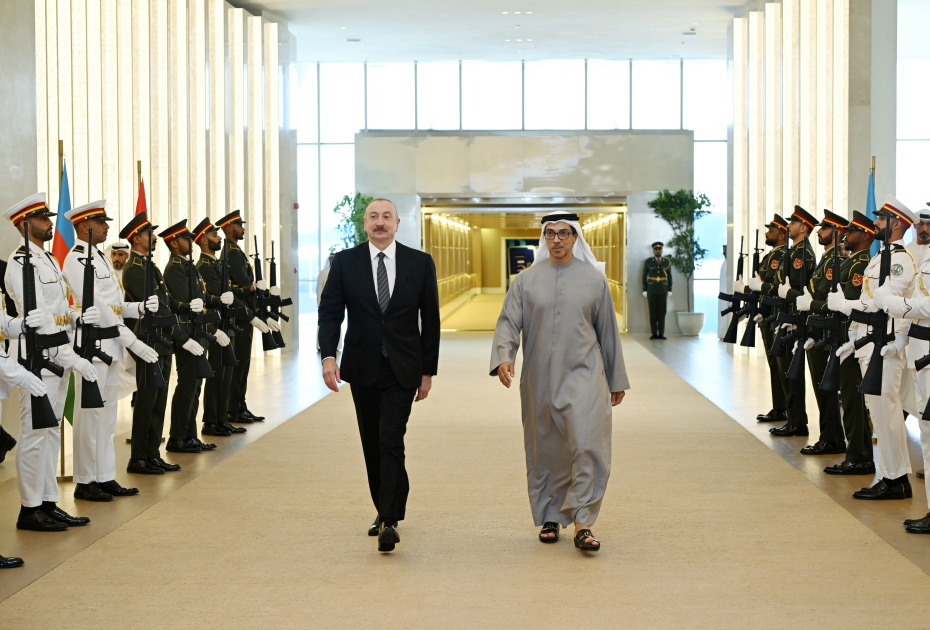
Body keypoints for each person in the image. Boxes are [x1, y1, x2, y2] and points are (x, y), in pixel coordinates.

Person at [491, 211, 628, 552]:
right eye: (550, 234)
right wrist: (505, 356)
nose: (556, 240)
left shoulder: (594, 281)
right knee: (546, 448)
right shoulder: (525, 281)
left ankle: (583, 522)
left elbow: (608, 332)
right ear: (544, 238)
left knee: (587, 445)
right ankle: (550, 516)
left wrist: (616, 379)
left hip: (585, 375)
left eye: (564, 233)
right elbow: (508, 322)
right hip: (538, 378)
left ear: (575, 237)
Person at [318, 198, 440, 553]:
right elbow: (330, 313)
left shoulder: (419, 262)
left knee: (391, 438)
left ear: (398, 223)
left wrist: (427, 371)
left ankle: (389, 518)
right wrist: (328, 356)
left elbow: (431, 320)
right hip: (362, 366)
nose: (380, 222)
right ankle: (386, 506)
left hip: (403, 367)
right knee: (372, 441)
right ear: (365, 224)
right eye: (374, 216)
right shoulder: (345, 262)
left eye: (387, 216)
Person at [4, 193, 98, 531]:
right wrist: (71, 357)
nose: (50, 223)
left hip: (56, 355)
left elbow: (57, 309)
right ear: (26, 224)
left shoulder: (47, 259)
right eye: (43, 218)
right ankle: (29, 509)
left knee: (51, 432)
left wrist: (76, 317)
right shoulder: (20, 262)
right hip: (37, 357)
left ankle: (47, 502)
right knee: (34, 434)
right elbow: (38, 316)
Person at [62, 200, 160, 502]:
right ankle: (85, 480)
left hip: (112, 345)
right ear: (84, 226)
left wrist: (139, 308)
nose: (107, 227)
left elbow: (115, 306)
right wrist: (132, 341)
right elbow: (98, 306)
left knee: (106, 417)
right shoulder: (76, 260)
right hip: (94, 347)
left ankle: (104, 476)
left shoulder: (100, 258)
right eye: (101, 222)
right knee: (89, 416)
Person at [829, 195, 918, 500]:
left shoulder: (900, 260)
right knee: (880, 414)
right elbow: (870, 301)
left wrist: (846, 306)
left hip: (885, 346)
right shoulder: (881, 257)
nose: (876, 223)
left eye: (881, 218)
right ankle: (890, 475)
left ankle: (895, 480)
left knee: (885, 414)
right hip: (870, 344)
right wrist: (854, 335)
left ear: (897, 224)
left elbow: (885, 306)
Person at [120, 213, 189, 474]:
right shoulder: (134, 269)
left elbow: (167, 302)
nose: (155, 238)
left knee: (159, 400)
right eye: (149, 234)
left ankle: (152, 454)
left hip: (162, 341)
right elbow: (157, 308)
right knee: (146, 401)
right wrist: (181, 336)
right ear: (136, 238)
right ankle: (138, 457)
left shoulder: (150, 266)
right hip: (149, 340)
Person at [160, 220, 236, 451]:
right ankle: (177, 438)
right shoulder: (175, 268)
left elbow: (200, 298)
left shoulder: (187, 265)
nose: (190, 241)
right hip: (187, 333)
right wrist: (210, 327)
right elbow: (187, 303)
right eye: (185, 238)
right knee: (187, 387)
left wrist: (218, 300)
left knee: (194, 388)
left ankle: (189, 435)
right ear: (174, 243)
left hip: (197, 332)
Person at [750, 206, 816, 437]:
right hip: (783, 315)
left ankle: (797, 421)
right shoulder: (793, 251)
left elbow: (793, 287)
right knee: (783, 369)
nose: (789, 226)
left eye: (793, 222)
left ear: (803, 227)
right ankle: (792, 417)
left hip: (792, 318)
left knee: (790, 371)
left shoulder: (802, 253)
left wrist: (766, 288)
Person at [820, 212, 876, 476]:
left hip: (852, 339)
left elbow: (851, 302)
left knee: (853, 400)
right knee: (851, 399)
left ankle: (858, 457)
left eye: (851, 230)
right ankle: (858, 455)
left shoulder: (861, 265)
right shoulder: (850, 262)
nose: (845, 234)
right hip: (844, 336)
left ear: (865, 235)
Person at [794, 210, 847, 455]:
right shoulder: (826, 259)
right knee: (821, 387)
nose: (820, 231)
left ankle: (832, 439)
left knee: (825, 389)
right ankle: (829, 436)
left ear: (837, 232)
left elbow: (826, 296)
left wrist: (810, 305)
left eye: (825, 228)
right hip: (817, 329)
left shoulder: (836, 260)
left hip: (825, 331)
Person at [216, 210, 271, 425]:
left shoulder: (235, 250)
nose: (243, 228)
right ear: (229, 227)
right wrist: (252, 291)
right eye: (239, 225)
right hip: (239, 317)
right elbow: (242, 284)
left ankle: (239, 406)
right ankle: (234, 408)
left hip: (244, 314)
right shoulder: (231, 252)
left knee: (242, 364)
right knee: (238, 365)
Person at [191, 218, 236, 437]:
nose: (219, 238)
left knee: (225, 374)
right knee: (216, 374)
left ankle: (220, 418)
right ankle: (211, 420)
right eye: (214, 235)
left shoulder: (216, 264)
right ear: (203, 240)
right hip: (214, 325)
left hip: (224, 323)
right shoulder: (204, 267)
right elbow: (212, 296)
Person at [742, 215, 789, 424]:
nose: (767, 234)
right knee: (774, 364)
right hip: (766, 313)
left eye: (771, 231)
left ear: (781, 235)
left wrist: (748, 289)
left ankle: (781, 408)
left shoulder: (779, 255)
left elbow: (767, 283)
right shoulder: (772, 255)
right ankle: (779, 407)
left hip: (773, 314)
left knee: (778, 364)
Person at [642, 242, 672, 339]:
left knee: (662, 312)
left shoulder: (666, 261)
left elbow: (669, 276)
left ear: (662, 250)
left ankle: (661, 333)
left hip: (663, 289)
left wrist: (669, 289)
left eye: (659, 249)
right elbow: (644, 275)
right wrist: (645, 289)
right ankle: (654, 333)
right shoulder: (648, 261)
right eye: (656, 249)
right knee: (653, 311)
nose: (658, 251)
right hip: (651, 289)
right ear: (653, 251)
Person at [717, 245, 727, 340]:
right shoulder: (724, 262)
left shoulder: (730, 263)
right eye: (723, 249)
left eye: (726, 249)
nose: (724, 251)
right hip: (723, 292)